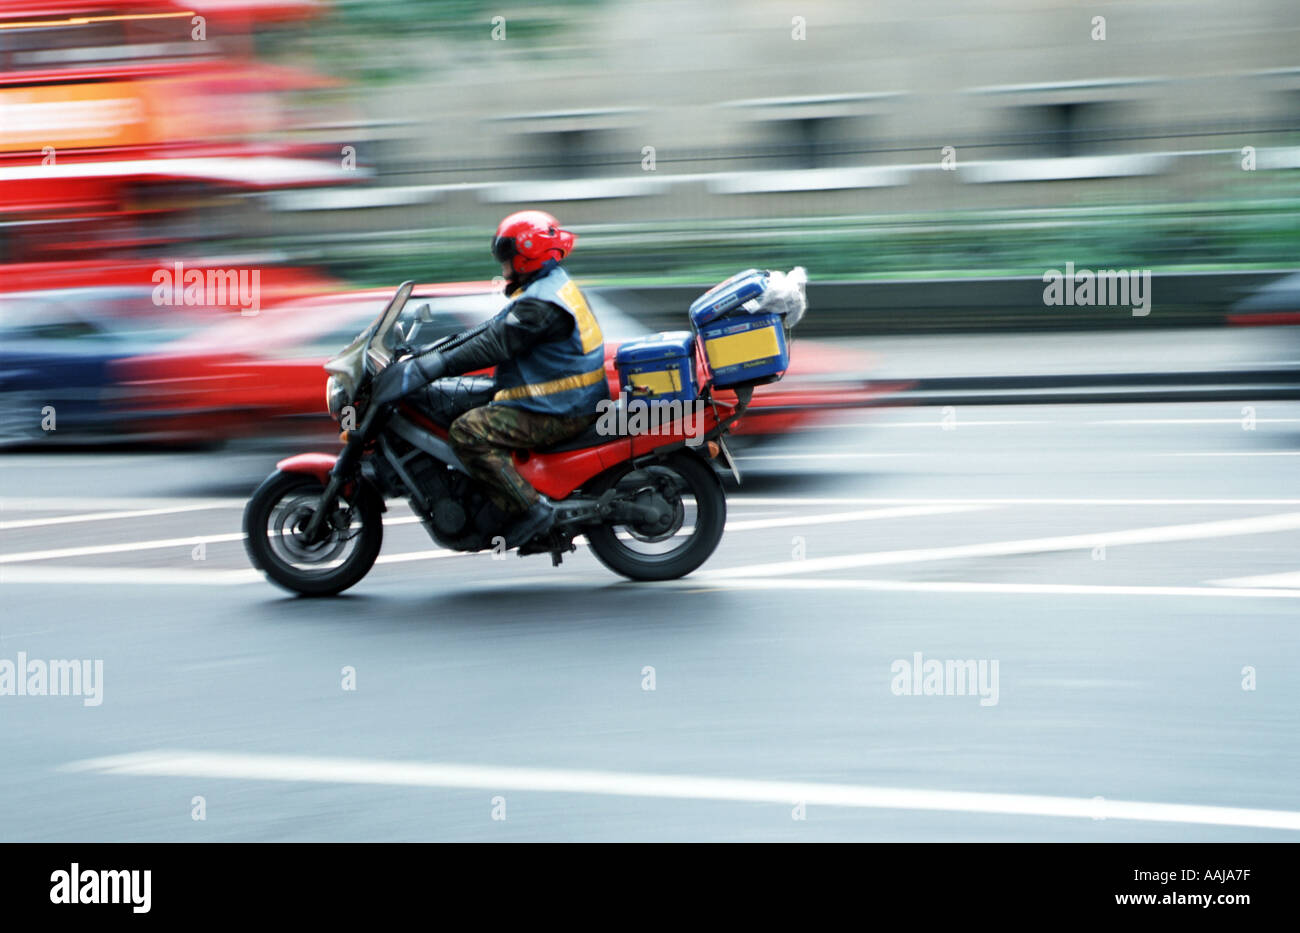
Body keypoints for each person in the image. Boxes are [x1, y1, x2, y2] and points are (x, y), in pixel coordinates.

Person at [369, 210, 608, 547]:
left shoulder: (540, 306)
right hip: (560, 400)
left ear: (527, 257)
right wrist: (423, 354)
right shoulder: (546, 289)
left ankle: (530, 510)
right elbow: (490, 330)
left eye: (507, 258)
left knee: (468, 432)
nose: (503, 266)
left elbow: (494, 344)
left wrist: (430, 367)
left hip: (560, 409)